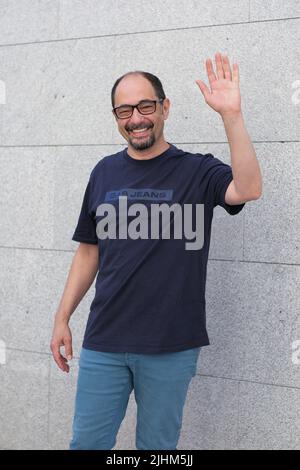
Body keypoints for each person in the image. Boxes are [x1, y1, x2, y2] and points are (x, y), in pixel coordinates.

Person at [50, 52, 262, 450]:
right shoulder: (103, 172)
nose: (136, 118)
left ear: (164, 108)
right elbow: (88, 252)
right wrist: (63, 317)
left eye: (145, 106)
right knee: (86, 444)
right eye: (124, 110)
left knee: (157, 448)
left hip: (171, 345)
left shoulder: (198, 171)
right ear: (116, 117)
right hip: (104, 341)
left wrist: (231, 116)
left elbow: (247, 189)